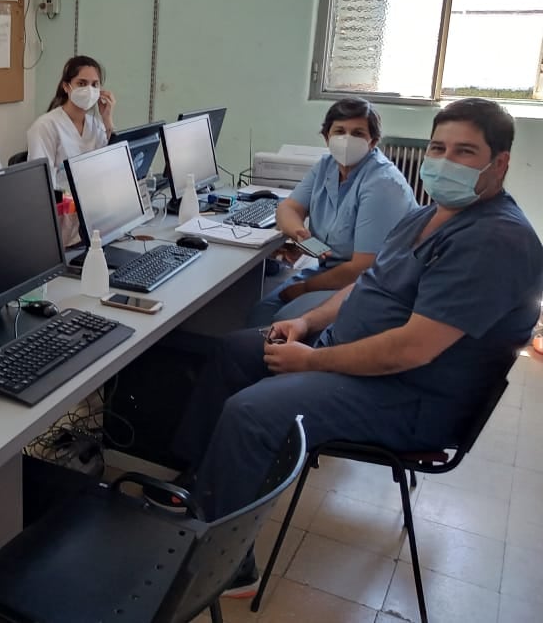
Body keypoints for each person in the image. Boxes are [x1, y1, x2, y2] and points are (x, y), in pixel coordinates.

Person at [154, 99, 543, 597]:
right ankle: (199, 486)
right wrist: (307, 323)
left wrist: (312, 360)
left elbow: (411, 350)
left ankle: (226, 567)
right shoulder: (428, 215)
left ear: (500, 163)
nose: (445, 161)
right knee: (235, 351)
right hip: (357, 357)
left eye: (465, 152)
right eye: (439, 148)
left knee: (252, 412)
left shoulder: (494, 241)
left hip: (409, 394)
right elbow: (367, 285)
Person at [248, 97, 418, 326]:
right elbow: (288, 208)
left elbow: (363, 268)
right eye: (339, 131)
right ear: (327, 137)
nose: (347, 139)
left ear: (373, 141)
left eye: (358, 133)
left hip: (371, 284)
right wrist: (301, 235)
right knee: (261, 312)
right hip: (330, 271)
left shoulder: (383, 184)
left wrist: (306, 288)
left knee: (279, 322)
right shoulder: (326, 166)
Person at [26, 55, 116, 189]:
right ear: (66, 87)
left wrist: (107, 119)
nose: (89, 90)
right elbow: (40, 182)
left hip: (94, 198)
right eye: (81, 83)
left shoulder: (96, 125)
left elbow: (112, 167)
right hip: (63, 204)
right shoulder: (45, 126)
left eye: (94, 84)